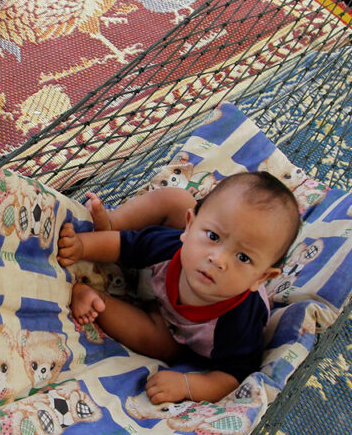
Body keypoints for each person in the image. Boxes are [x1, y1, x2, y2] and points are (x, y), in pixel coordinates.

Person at [57, 173, 301, 404]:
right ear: (189, 226)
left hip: (172, 329)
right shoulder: (172, 245)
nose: (217, 259)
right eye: (214, 236)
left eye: (243, 257)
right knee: (175, 199)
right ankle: (113, 221)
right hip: (157, 277)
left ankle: (96, 298)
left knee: (164, 347)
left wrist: (187, 385)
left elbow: (232, 377)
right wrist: (81, 246)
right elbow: (124, 245)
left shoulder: (239, 322)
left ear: (262, 277)